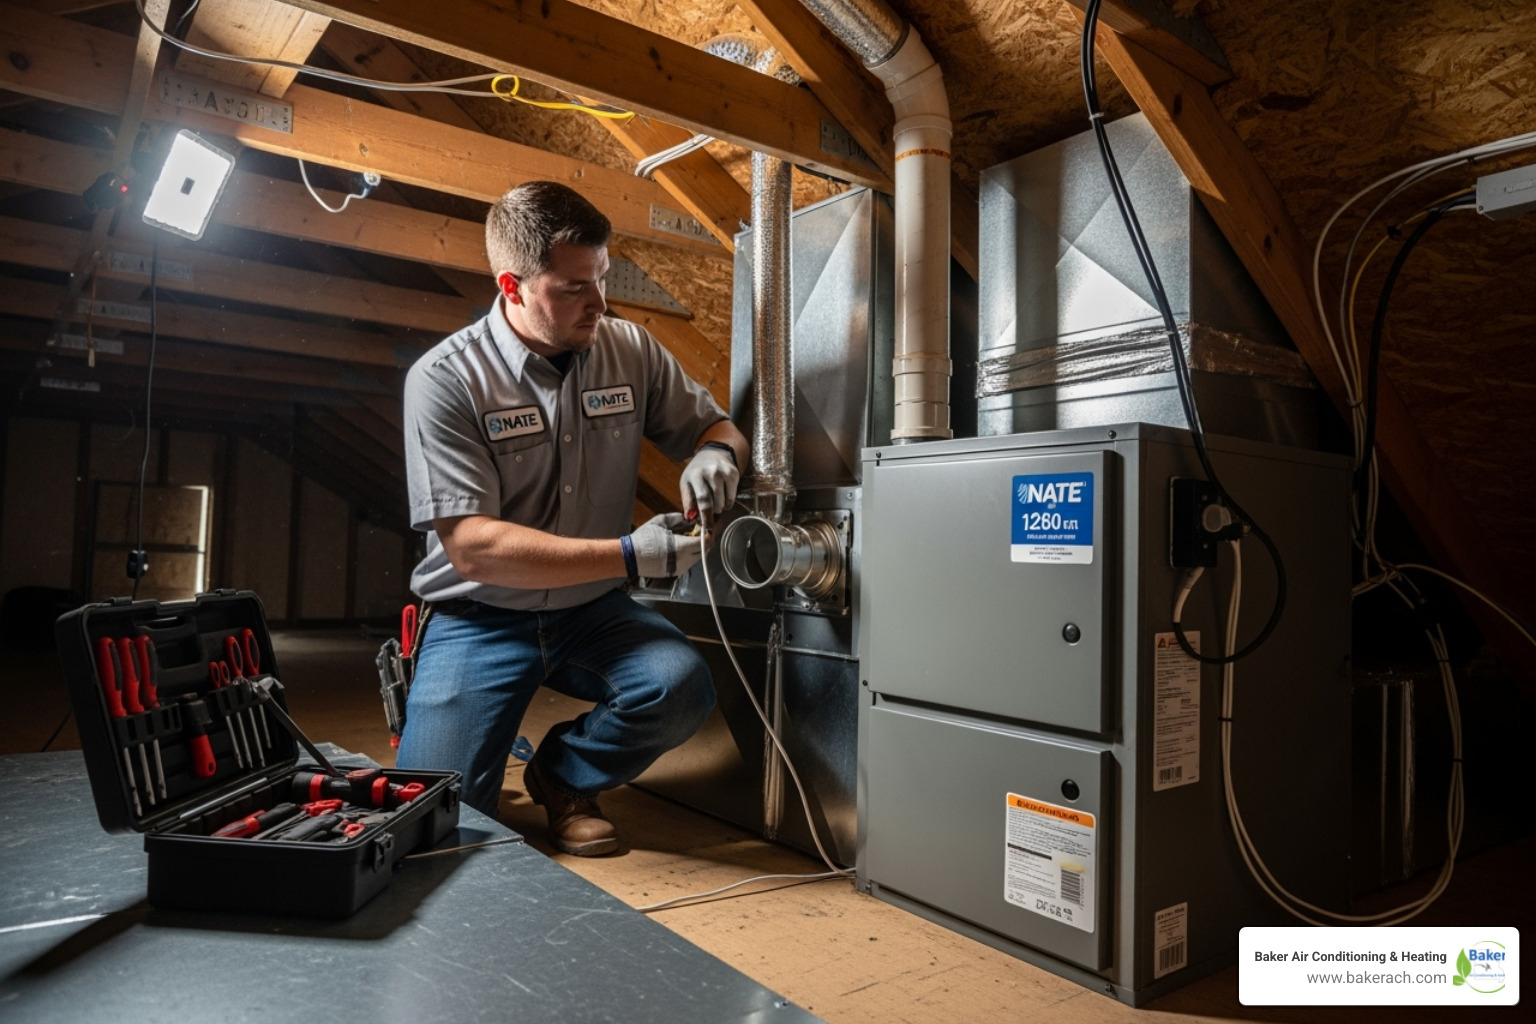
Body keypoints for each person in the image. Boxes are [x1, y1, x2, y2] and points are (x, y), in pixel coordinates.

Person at [395, 180, 748, 856]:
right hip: (480, 616)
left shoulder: (630, 350)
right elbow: (473, 548)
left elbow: (718, 426)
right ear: (513, 285)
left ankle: (563, 777)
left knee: (678, 686)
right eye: (573, 288)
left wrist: (715, 455)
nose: (600, 302)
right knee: (433, 825)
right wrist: (629, 556)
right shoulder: (445, 380)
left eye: (602, 278)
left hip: (589, 611)